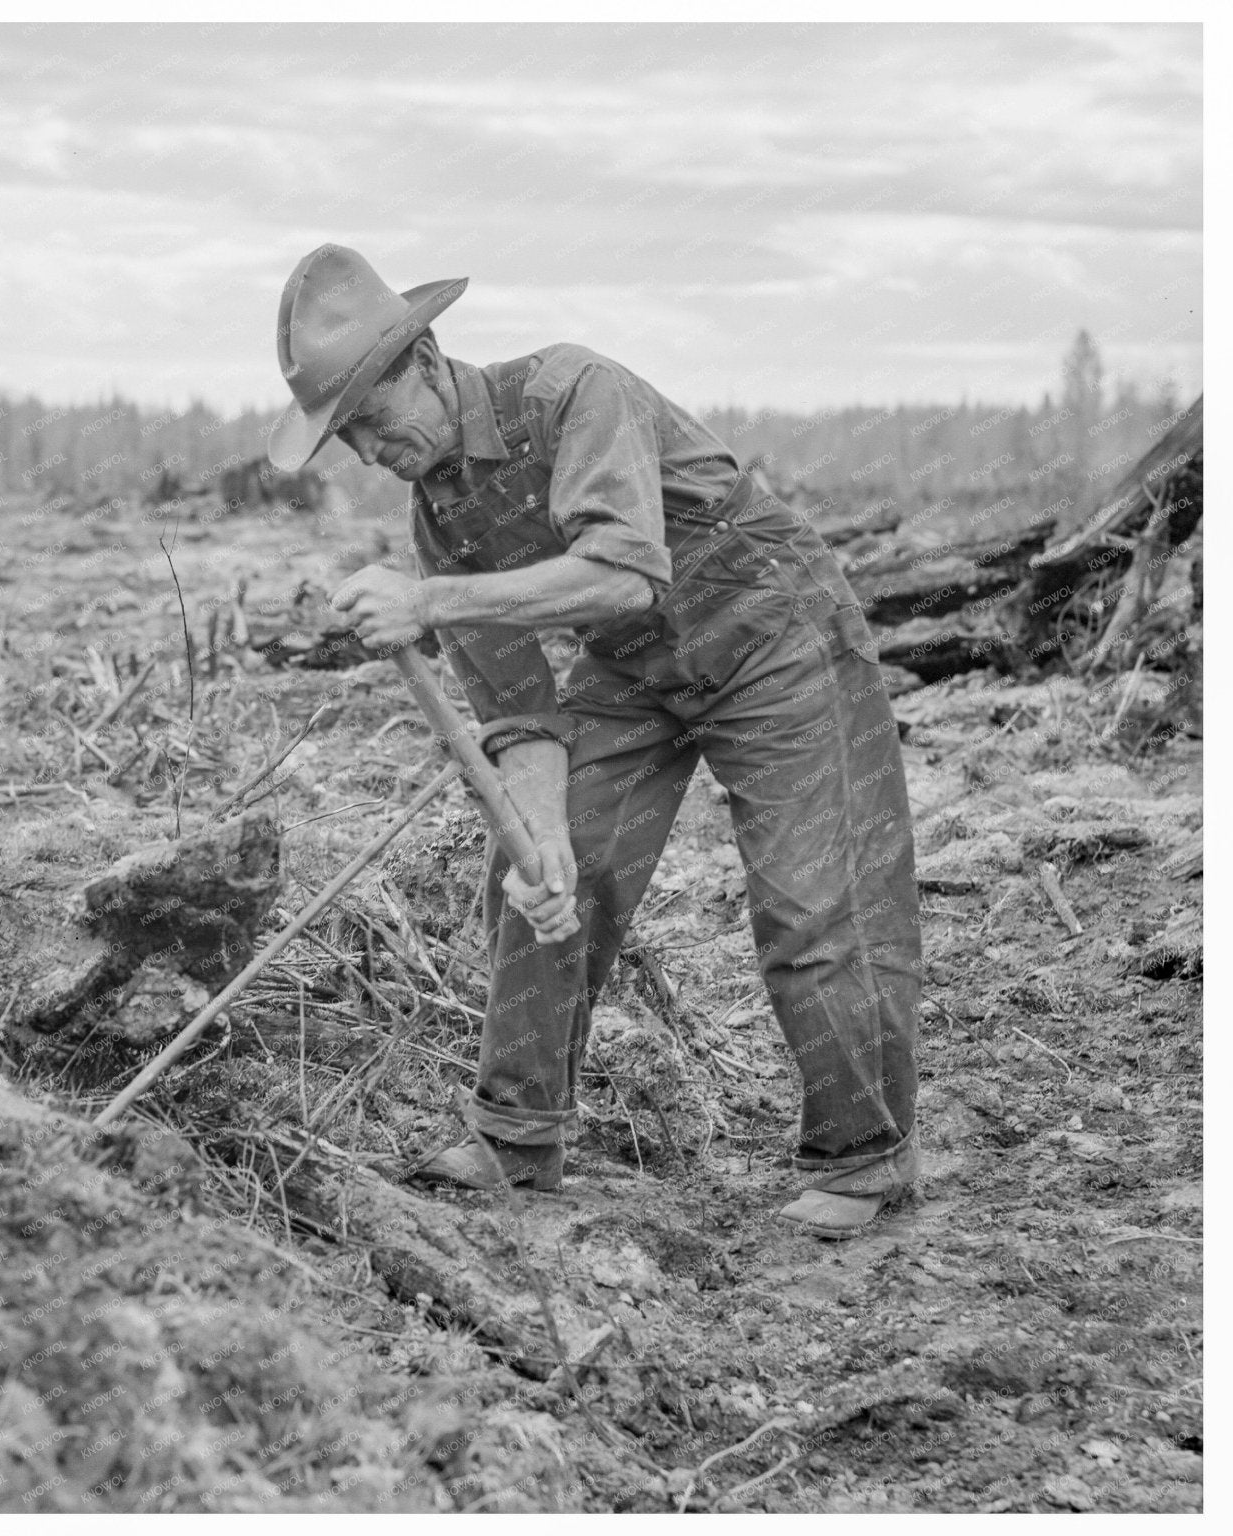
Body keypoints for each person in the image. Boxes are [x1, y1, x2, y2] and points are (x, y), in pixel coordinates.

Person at [265, 244, 922, 1238]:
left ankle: (864, 1157)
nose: (364, 447)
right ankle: (515, 1136)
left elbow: (623, 571)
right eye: (342, 434)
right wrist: (545, 836)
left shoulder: (575, 390)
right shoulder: (441, 521)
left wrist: (427, 603)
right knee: (534, 876)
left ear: (430, 363)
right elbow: (519, 711)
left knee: (809, 896)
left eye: (368, 415)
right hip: (633, 670)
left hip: (774, 635)